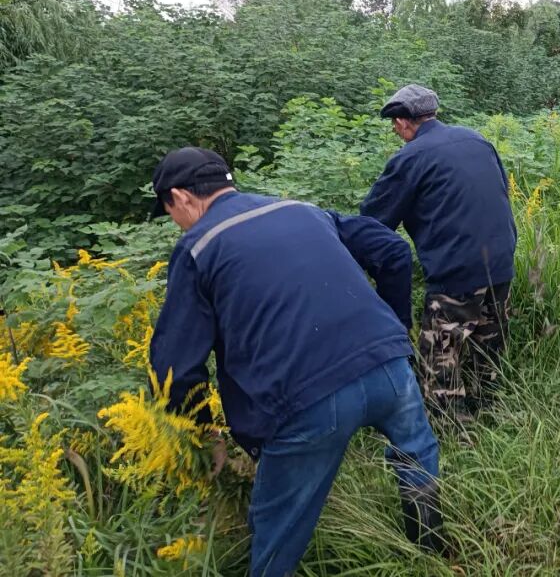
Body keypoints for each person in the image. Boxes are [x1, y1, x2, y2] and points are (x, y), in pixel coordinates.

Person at [147, 146, 444, 577]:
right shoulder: (302, 210)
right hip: (389, 368)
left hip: (305, 398)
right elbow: (392, 250)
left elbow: (174, 366)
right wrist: (395, 332)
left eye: (169, 211)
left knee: (278, 527)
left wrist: (202, 431)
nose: (176, 222)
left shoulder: (199, 246)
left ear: (181, 197)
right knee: (416, 456)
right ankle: (430, 554)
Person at [361, 85, 517, 417]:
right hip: (501, 263)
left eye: (395, 124)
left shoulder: (410, 157)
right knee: (488, 350)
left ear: (403, 122)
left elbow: (373, 221)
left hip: (455, 273)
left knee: (440, 360)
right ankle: (492, 415)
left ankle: (455, 434)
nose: (395, 131)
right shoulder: (477, 140)